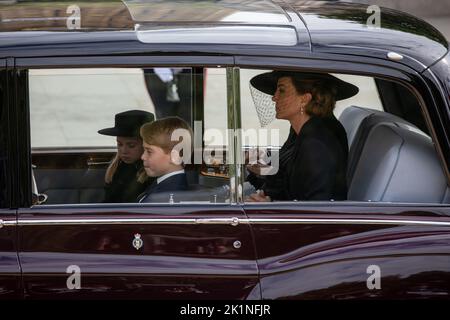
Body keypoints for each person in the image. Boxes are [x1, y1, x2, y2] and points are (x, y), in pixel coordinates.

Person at [246, 71, 359, 202]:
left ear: (304, 99)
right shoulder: (301, 130)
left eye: (281, 91)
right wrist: (264, 170)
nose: (274, 97)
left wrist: (270, 206)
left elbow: (317, 208)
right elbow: (289, 175)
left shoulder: (317, 143)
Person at [98, 109, 155, 203]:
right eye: (119, 144)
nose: (123, 151)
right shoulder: (117, 168)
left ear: (146, 144)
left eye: (131, 145)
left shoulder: (152, 173)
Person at [137, 116, 193, 203]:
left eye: (149, 151)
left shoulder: (163, 197)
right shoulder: (165, 186)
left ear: (175, 157)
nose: (142, 157)